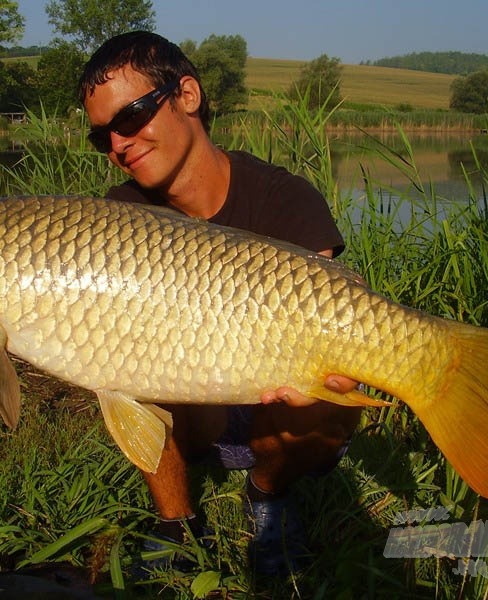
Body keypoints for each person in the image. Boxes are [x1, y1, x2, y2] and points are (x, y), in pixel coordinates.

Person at [77, 31, 361, 576]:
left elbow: (329, 311)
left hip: (272, 403)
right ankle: (178, 526)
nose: (118, 144)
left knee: (331, 399)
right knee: (116, 358)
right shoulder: (121, 216)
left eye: (131, 117)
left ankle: (267, 494)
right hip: (196, 409)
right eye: (102, 136)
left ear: (187, 95)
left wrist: (327, 372)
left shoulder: (286, 199)